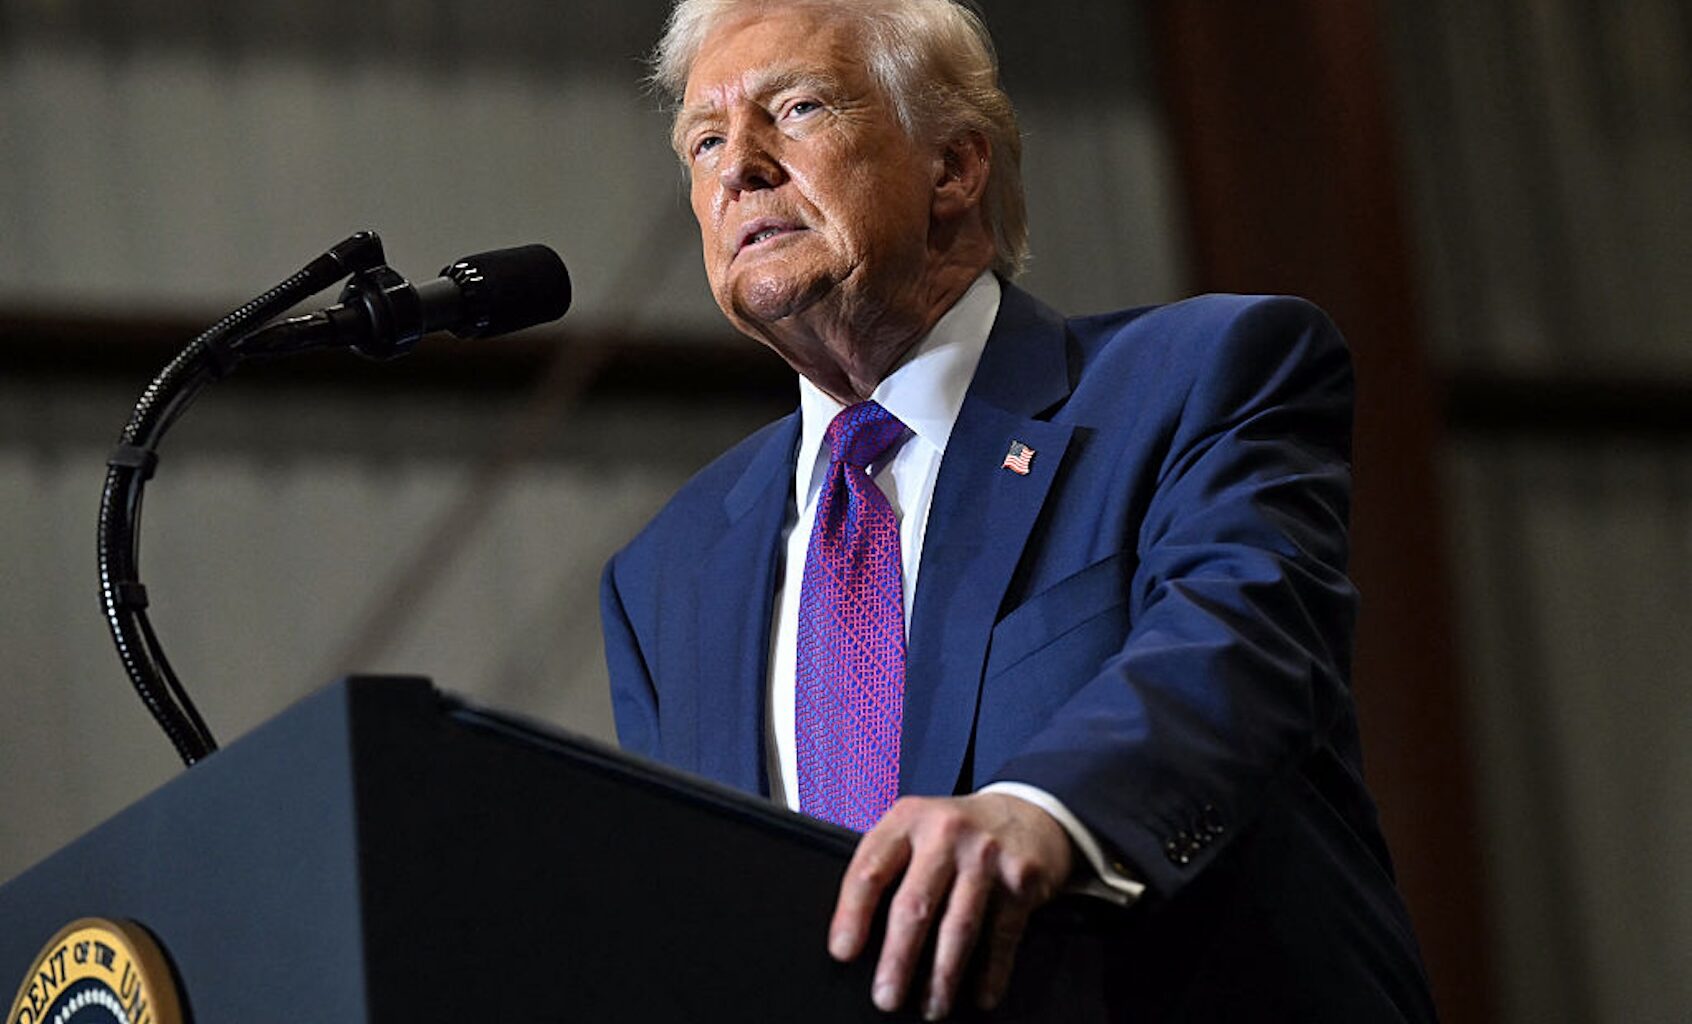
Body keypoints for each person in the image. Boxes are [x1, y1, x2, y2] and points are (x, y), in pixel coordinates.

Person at [600, 0, 1437, 1019]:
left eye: (801, 107)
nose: (739, 166)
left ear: (954, 166)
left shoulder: (1194, 382)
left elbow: (1240, 646)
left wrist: (1041, 811)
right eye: (703, 138)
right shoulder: (666, 576)